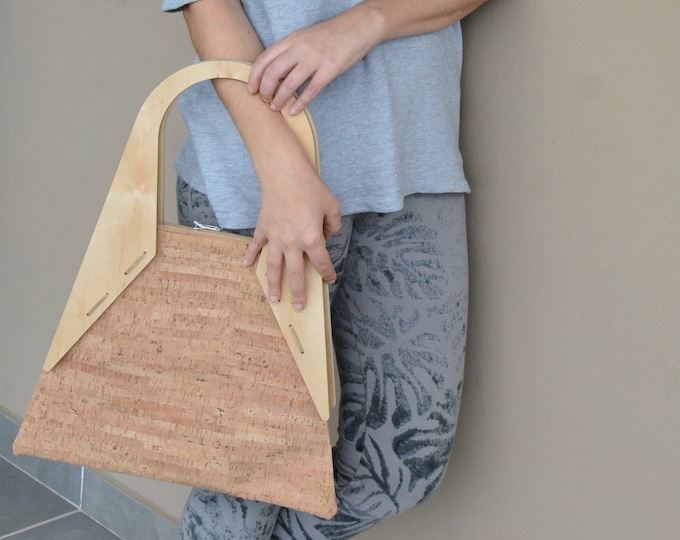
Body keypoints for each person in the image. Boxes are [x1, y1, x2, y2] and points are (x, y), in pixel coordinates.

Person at [161, 0, 486, 538]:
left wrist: (364, 23)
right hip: (258, 181)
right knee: (247, 478)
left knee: (402, 465)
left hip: (413, 160)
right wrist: (281, 173)